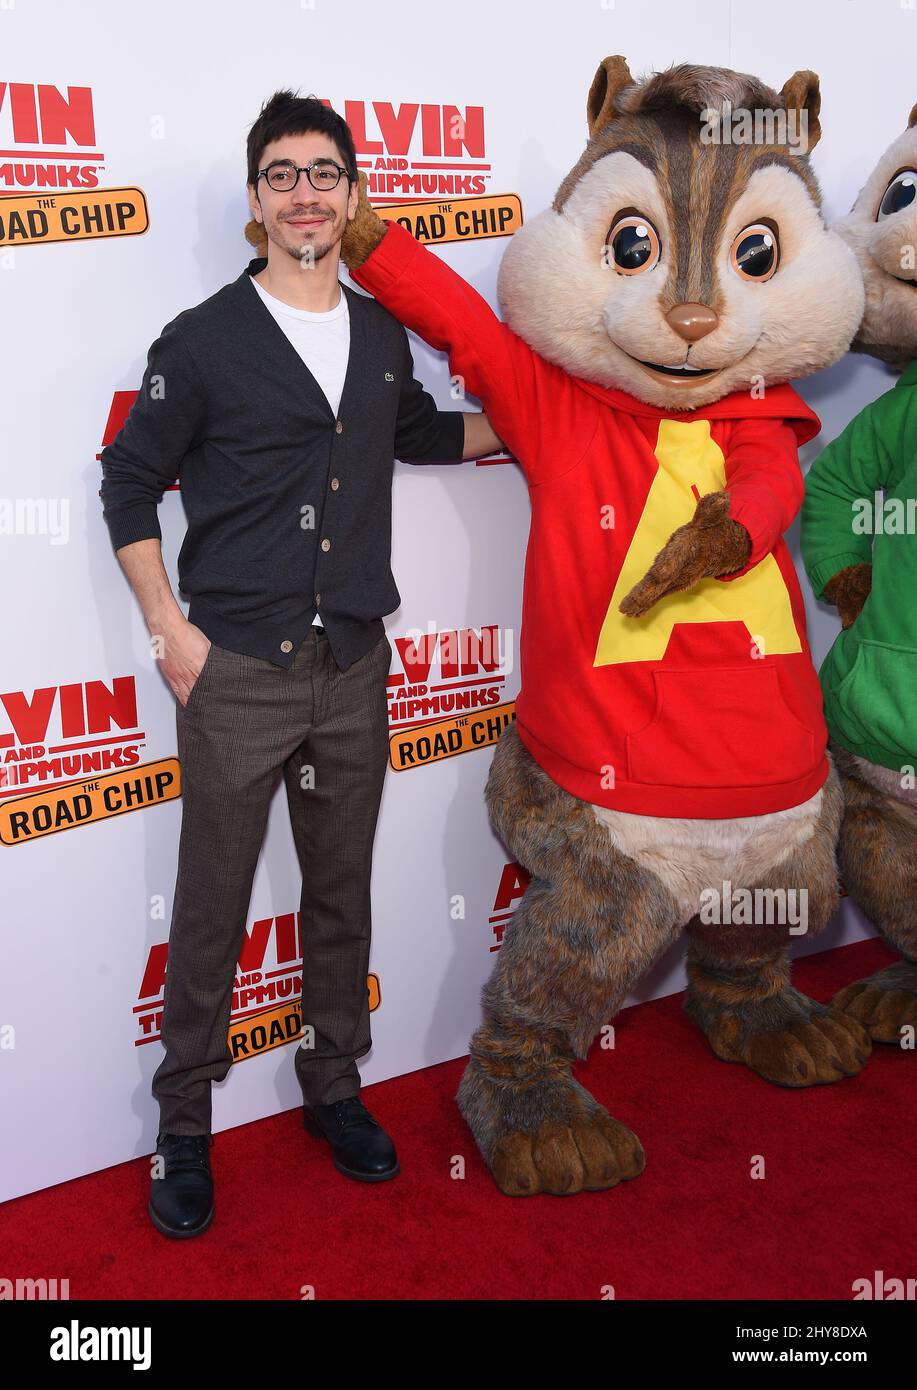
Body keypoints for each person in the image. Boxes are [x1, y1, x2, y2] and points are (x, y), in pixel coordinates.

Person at [99, 90, 502, 1238]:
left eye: (324, 172)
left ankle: (334, 1085)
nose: (305, 192)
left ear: (354, 192)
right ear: (255, 199)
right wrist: (169, 630)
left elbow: (421, 435)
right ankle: (182, 1126)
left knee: (339, 896)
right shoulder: (204, 338)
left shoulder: (380, 335)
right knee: (213, 912)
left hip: (351, 670)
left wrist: (538, 417)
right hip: (233, 675)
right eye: (282, 174)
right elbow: (127, 485)